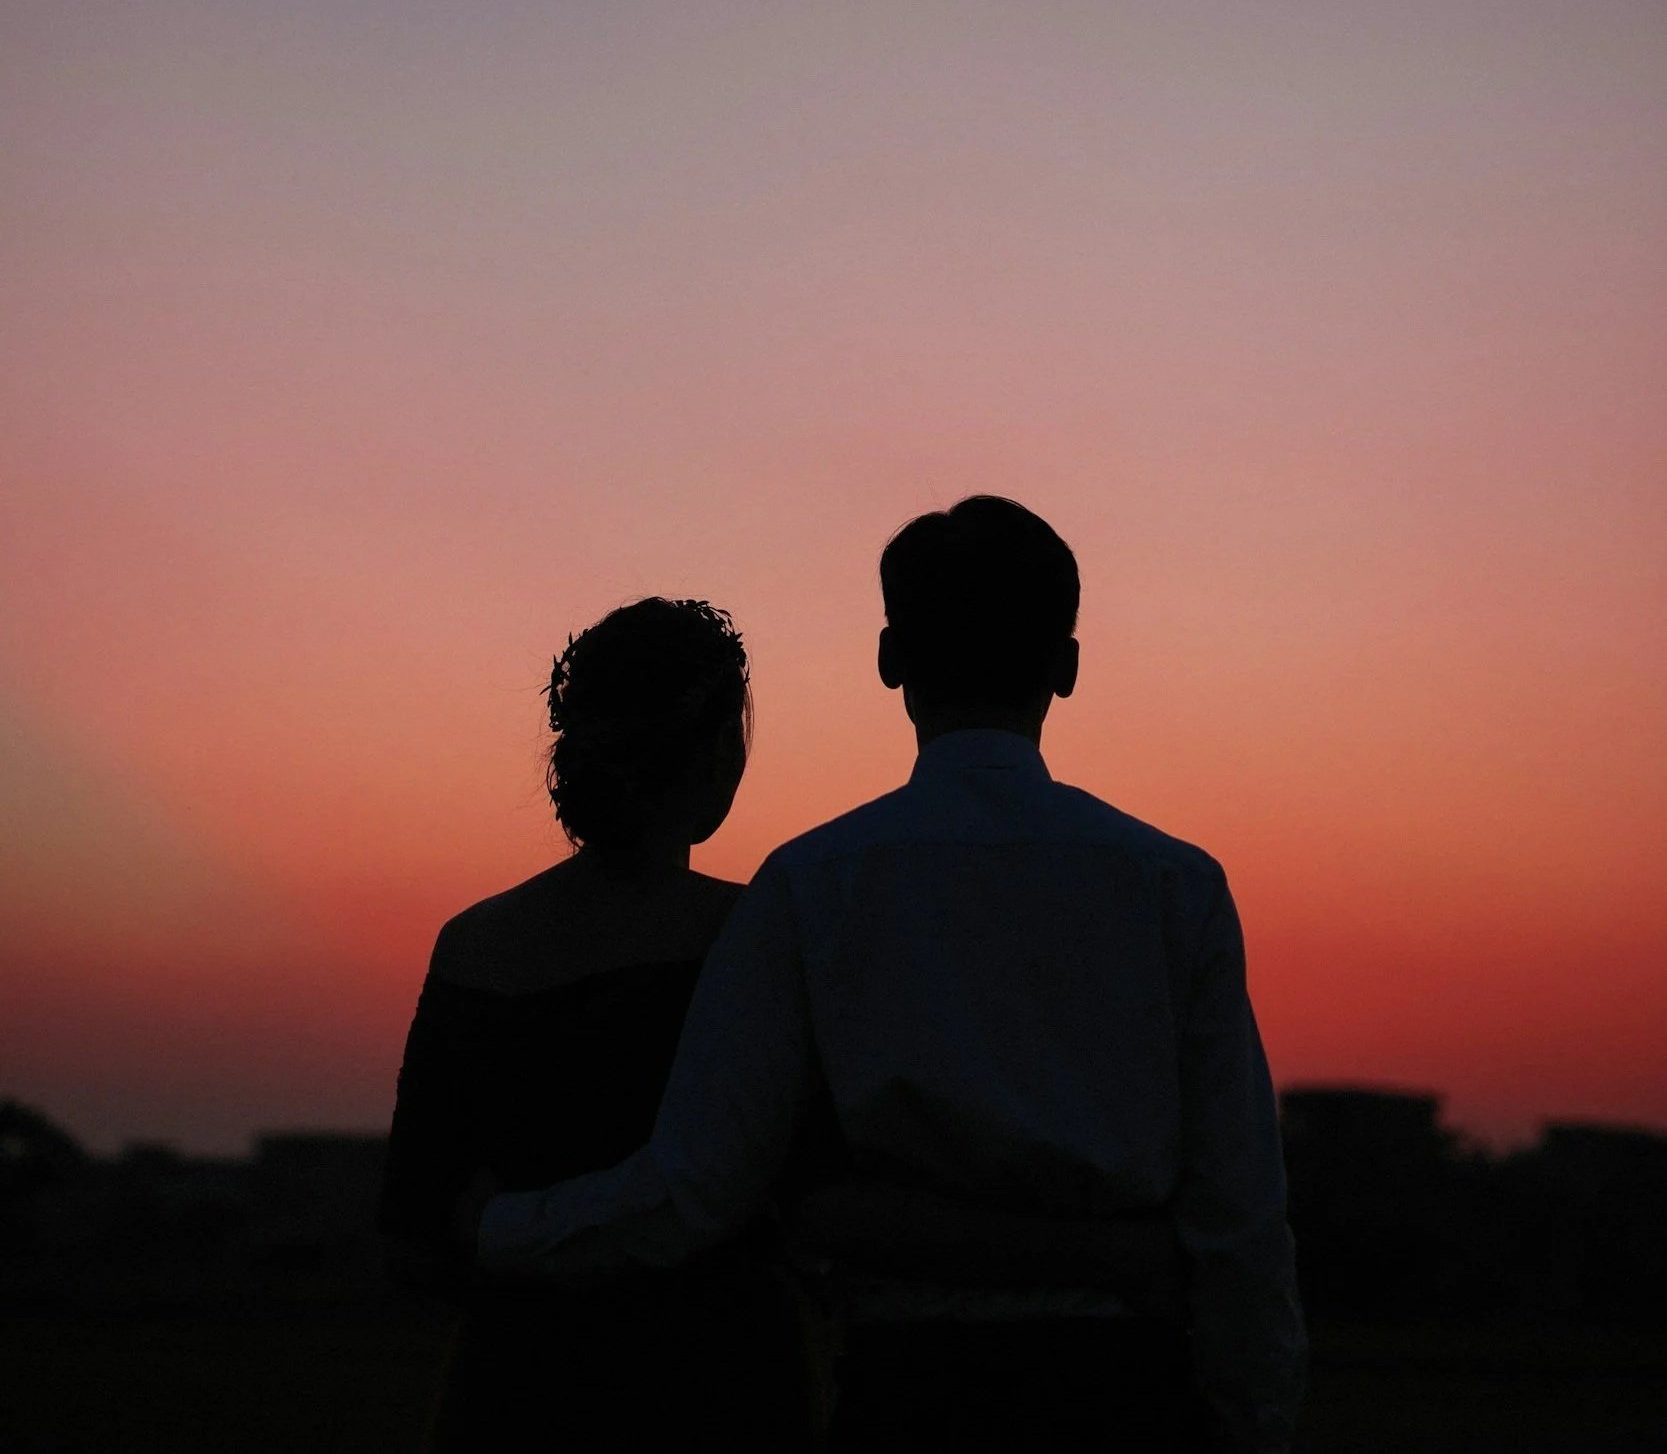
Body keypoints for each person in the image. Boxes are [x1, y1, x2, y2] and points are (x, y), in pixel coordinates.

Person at [475, 499, 1307, 1453]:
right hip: (1124, 1388)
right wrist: (1256, 1419)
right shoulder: (1174, 885)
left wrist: (499, 1227)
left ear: (888, 658)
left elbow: (697, 1183)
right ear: (1066, 665)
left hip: (911, 1393)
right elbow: (1241, 1211)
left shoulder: (809, 885)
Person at [379, 597, 814, 1450]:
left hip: (517, 1393)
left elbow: (415, 1242)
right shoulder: (760, 935)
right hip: (724, 1394)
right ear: (718, 747)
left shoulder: (474, 944)